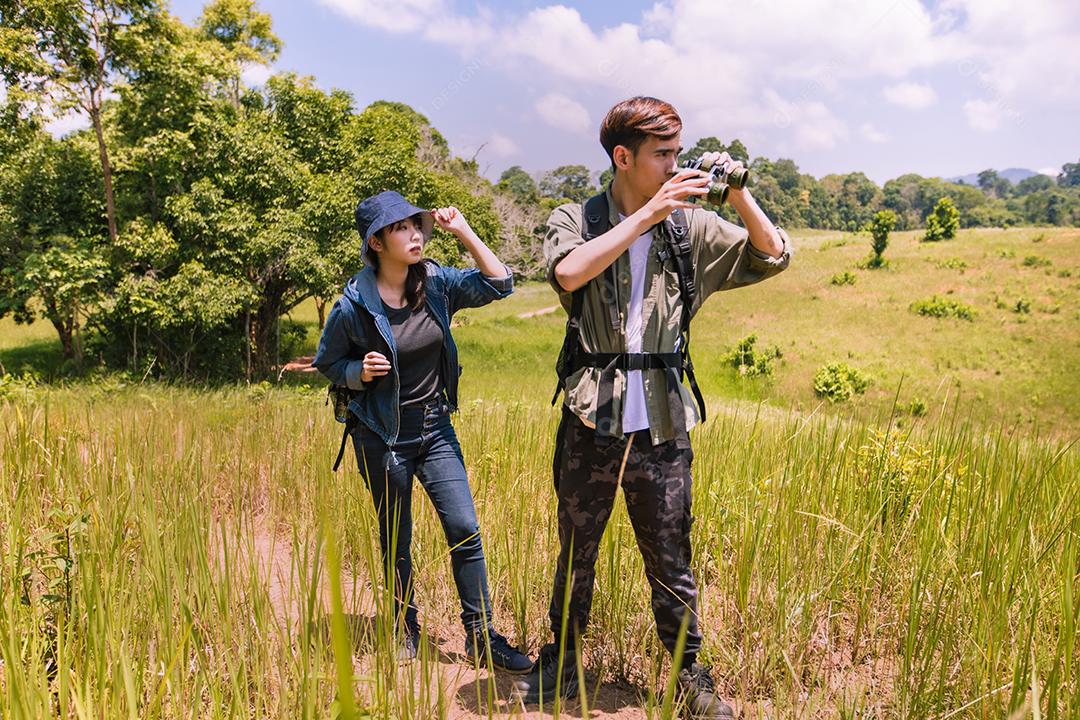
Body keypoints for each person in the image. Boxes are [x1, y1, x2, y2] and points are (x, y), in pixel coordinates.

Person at [512, 97, 792, 718]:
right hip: (592, 414)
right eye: (662, 154)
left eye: (677, 152)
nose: (674, 165)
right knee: (577, 550)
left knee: (671, 554)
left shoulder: (689, 227)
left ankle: (689, 675)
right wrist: (647, 215)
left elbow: (772, 254)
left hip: (663, 420)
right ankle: (562, 660)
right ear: (623, 157)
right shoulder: (579, 218)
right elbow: (567, 274)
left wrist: (738, 192)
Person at [313, 190, 531, 672]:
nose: (415, 234)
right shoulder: (353, 305)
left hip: (434, 428)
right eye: (401, 228)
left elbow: (500, 283)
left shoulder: (435, 283)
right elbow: (327, 361)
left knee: (464, 527)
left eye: (416, 225)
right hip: (381, 435)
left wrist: (464, 230)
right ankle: (404, 626)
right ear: (376, 242)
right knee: (396, 536)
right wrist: (357, 372)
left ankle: (481, 634)